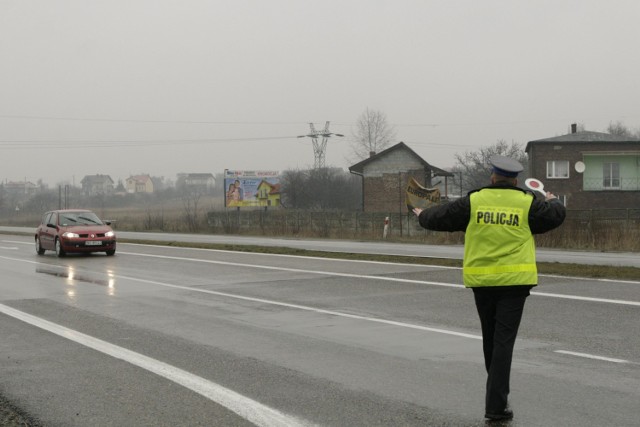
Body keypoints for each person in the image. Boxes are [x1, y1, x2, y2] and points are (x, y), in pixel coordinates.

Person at [413, 155, 566, 421]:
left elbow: (441, 217)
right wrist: (551, 199)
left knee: (491, 340)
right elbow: (554, 216)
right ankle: (496, 405)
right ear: (516, 180)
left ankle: (498, 398)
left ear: (492, 178)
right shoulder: (527, 203)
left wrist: (422, 215)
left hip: (482, 283)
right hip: (515, 283)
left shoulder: (474, 201)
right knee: (503, 343)